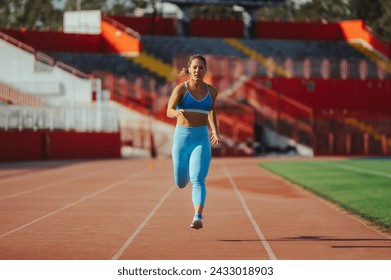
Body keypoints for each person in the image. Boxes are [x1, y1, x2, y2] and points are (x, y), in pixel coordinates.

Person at [166, 54, 221, 230]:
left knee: (198, 179)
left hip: (201, 139)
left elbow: (211, 111)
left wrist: (215, 131)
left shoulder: (212, 92)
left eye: (201, 67)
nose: (198, 70)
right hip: (182, 139)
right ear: (189, 69)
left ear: (205, 70)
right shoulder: (181, 90)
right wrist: (175, 113)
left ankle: (198, 216)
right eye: (195, 67)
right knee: (181, 182)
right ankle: (187, 171)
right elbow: (169, 109)